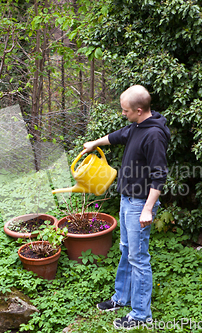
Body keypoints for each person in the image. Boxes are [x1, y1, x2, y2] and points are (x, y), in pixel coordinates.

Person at [82, 85, 170, 329]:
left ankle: (141, 314)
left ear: (139, 110)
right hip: (127, 199)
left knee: (138, 257)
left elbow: (159, 176)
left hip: (140, 203)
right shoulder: (138, 126)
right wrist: (94, 143)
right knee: (126, 250)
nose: (123, 114)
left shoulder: (154, 136)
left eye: (125, 111)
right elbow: (118, 135)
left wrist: (148, 209)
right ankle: (122, 297)